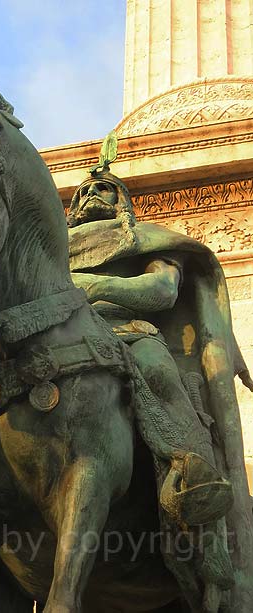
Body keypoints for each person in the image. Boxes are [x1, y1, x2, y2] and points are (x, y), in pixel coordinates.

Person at [68, 165, 253, 607]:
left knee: (160, 374)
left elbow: (161, 291)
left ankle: (193, 484)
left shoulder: (145, 240)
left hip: (129, 334)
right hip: (60, 339)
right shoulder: (49, 249)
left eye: (107, 189)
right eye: (87, 190)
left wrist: (93, 285)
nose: (95, 193)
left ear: (125, 205)